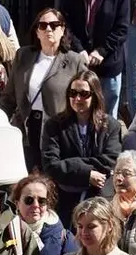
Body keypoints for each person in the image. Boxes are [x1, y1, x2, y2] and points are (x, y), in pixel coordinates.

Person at [0, 8, 89, 173]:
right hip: (26, 127)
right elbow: (9, 96)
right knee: (26, 177)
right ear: (37, 31)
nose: (48, 29)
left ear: (62, 30)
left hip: (57, 130)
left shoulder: (74, 61)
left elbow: (87, 100)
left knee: (51, 178)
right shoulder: (23, 56)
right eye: (43, 25)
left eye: (54, 25)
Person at [40, 70, 121, 222]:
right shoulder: (54, 125)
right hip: (63, 200)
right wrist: (86, 174)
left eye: (84, 94)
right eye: (72, 93)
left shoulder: (111, 126)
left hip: (98, 198)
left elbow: (110, 160)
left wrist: (69, 164)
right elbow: (50, 165)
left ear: (95, 95)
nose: (77, 98)